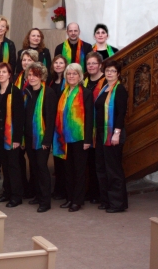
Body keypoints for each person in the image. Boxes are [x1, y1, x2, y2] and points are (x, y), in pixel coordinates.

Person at [53, 63, 94, 212]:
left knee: (79, 171)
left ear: (80, 76)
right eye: (69, 74)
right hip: (64, 138)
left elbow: (90, 117)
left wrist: (88, 139)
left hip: (80, 138)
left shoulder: (86, 93)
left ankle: (77, 200)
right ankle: (69, 198)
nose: (71, 76)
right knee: (68, 170)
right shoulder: (64, 93)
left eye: (74, 74)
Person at [94, 60, 128, 213]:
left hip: (113, 134)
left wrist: (117, 133)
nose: (109, 73)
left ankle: (117, 203)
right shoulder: (104, 88)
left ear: (118, 74)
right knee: (101, 168)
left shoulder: (119, 89)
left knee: (113, 169)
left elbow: (121, 113)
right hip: (101, 134)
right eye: (107, 70)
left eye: (113, 71)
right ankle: (106, 200)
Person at [23, 62, 56, 213]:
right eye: (29, 75)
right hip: (29, 137)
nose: (32, 78)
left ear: (41, 76)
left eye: (35, 75)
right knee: (34, 167)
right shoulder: (27, 92)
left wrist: (47, 140)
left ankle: (45, 201)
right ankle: (37, 195)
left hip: (42, 138)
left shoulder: (48, 93)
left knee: (42, 168)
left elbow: (50, 119)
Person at [0, 62, 24, 207]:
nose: (1, 74)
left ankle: (16, 196)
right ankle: (7, 193)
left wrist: (17, 139)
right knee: (4, 166)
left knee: (13, 166)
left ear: (9, 75)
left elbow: (19, 117)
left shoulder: (15, 92)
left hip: (11, 137)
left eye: (4, 72)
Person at [11, 49, 38, 194]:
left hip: (32, 123)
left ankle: (34, 189)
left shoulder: (38, 80)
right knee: (18, 158)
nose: (26, 63)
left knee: (34, 159)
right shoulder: (15, 77)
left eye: (29, 60)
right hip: (16, 122)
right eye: (24, 60)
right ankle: (23, 187)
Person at [84, 52, 107, 204]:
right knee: (89, 162)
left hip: (100, 127)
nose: (91, 66)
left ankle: (100, 194)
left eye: (94, 63)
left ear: (100, 65)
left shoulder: (106, 81)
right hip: (86, 127)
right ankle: (91, 191)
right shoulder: (84, 81)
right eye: (88, 64)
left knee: (100, 163)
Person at [48, 54, 68, 201]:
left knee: (65, 159)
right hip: (52, 123)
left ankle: (65, 189)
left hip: (64, 125)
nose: (58, 65)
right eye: (56, 63)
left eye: (61, 63)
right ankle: (58, 189)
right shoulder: (50, 82)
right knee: (57, 159)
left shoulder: (69, 82)